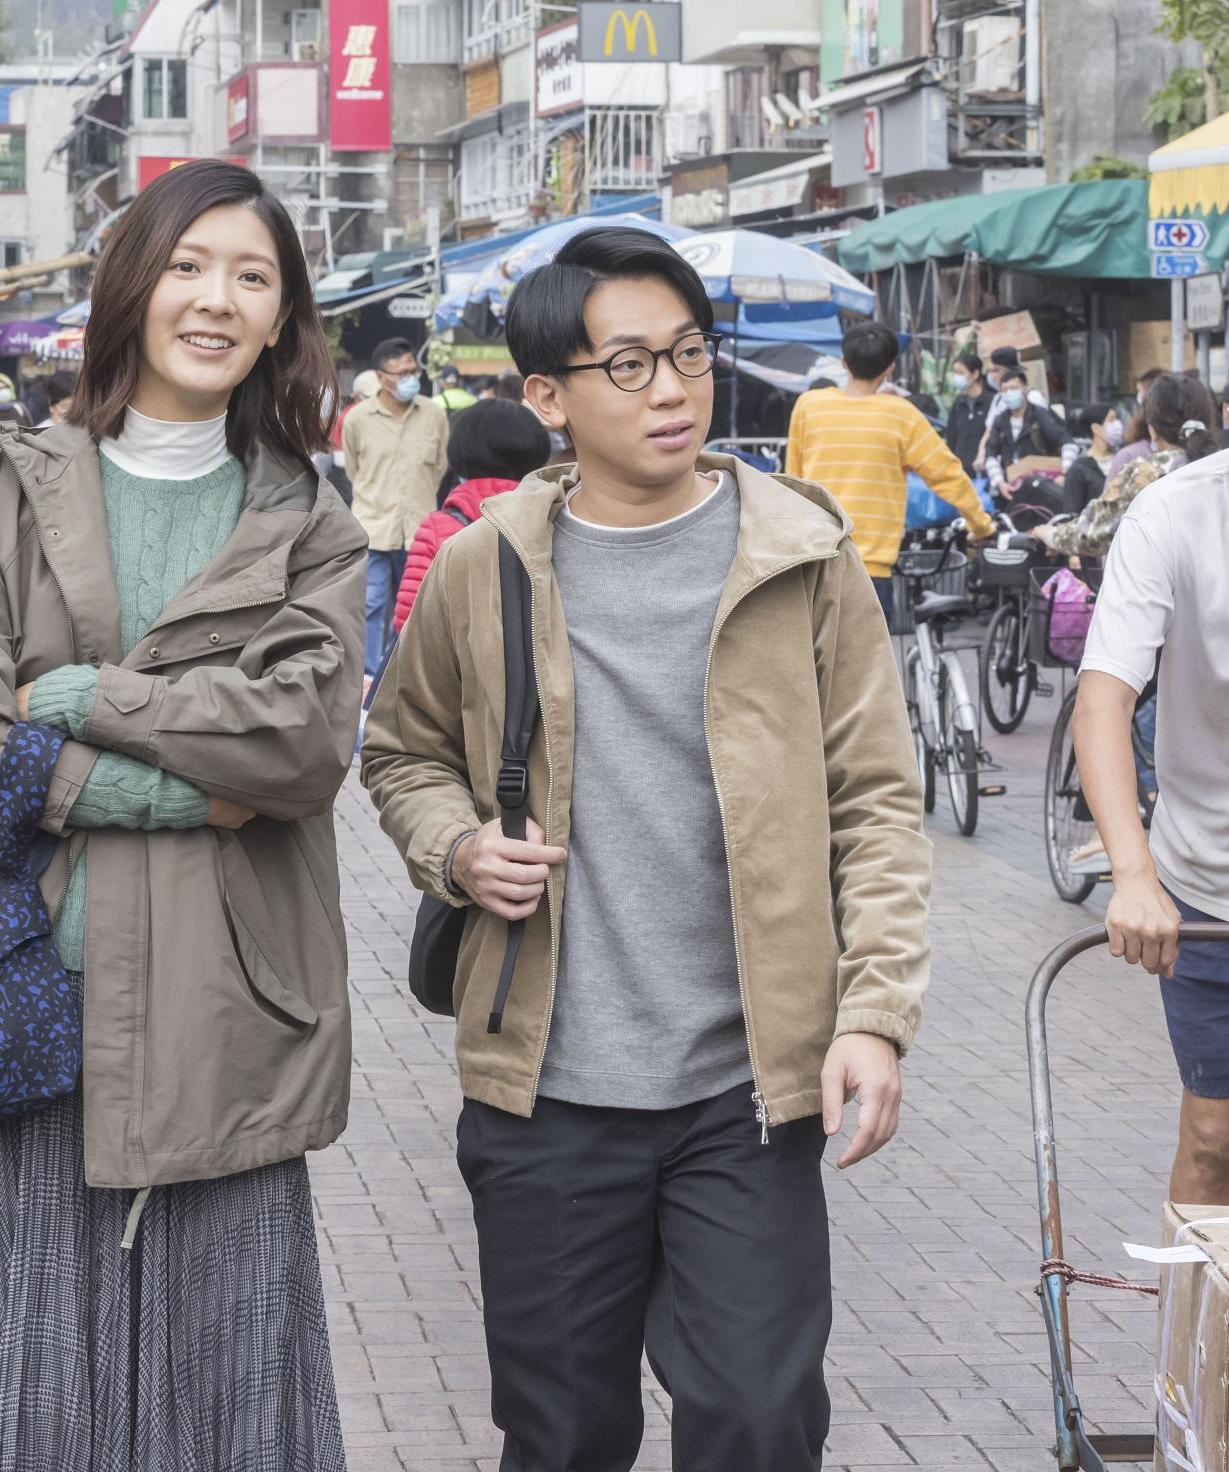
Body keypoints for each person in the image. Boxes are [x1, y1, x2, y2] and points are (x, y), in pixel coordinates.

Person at [362, 226, 927, 1472]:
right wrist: (455, 846)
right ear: (546, 397)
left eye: (685, 353)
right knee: (564, 1433)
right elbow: (396, 751)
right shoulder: (480, 566)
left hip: (747, 1088)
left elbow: (876, 799)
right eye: (627, 365)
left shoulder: (801, 553)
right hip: (545, 1088)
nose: (670, 388)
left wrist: (872, 1011)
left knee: (756, 1420)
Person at [0, 157, 363, 1472]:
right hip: (16, 999)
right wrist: (201, 788)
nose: (215, 299)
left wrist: (92, 703)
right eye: (188, 266)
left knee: (217, 1405)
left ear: (281, 316)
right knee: (8, 1403)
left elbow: (303, 744)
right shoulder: (1, 496)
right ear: (130, 285)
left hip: (218, 1021)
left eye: (252, 277)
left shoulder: (307, 521)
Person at [1074, 446, 1229, 1202]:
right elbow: (1102, 698)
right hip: (1206, 878)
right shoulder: (1173, 511)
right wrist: (1133, 876)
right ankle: (1195, 1324)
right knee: (1212, 1138)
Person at [784, 320, 994, 618]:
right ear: (890, 368)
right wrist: (981, 526)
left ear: (844, 363)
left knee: (811, 663)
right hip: (869, 570)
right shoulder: (901, 415)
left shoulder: (808, 406)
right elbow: (949, 476)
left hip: (812, 563)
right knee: (866, 664)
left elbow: (792, 482)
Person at [391, 399, 550, 635]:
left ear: (460, 454)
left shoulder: (439, 527)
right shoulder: (552, 520)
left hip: (457, 664)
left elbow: (409, 621)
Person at [343, 336, 449, 687]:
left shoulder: (433, 413)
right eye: (400, 372)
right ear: (381, 376)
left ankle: (408, 677)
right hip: (374, 526)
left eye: (412, 370)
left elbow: (438, 468)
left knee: (419, 607)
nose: (409, 377)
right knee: (371, 604)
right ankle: (371, 676)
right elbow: (354, 471)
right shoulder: (358, 419)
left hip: (419, 530)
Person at [1037, 372, 1217, 558]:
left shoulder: (1145, 472)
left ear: (1152, 427)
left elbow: (1092, 534)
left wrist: (1048, 534)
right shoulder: (1219, 468)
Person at [981, 367, 1071, 482]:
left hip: (1041, 482)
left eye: (1013, 388)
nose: (1009, 393)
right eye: (1004, 390)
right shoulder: (1000, 421)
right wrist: (999, 482)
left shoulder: (1039, 416)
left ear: (1025, 389)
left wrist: (1065, 473)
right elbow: (991, 454)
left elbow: (1067, 442)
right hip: (1010, 483)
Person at [1058, 403, 1120, 514]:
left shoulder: (1123, 458)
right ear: (1096, 428)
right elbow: (1071, 513)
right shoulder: (1079, 469)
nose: (1118, 424)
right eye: (1112, 420)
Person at [943, 352, 992, 472]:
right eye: (955, 373)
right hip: (960, 469)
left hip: (983, 469)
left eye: (960, 373)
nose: (956, 377)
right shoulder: (958, 403)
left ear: (975, 374)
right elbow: (951, 437)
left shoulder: (991, 402)